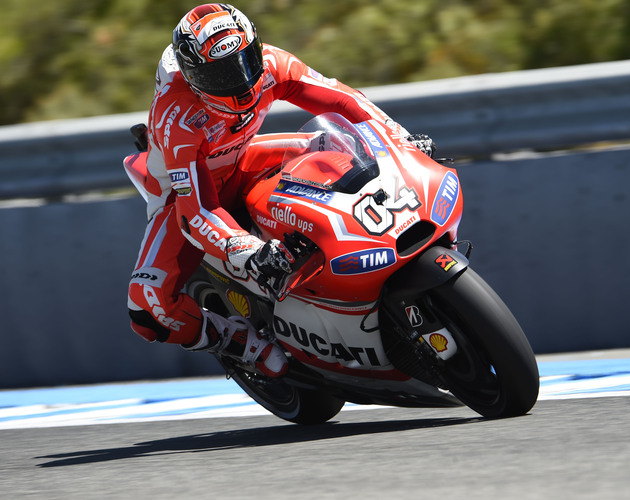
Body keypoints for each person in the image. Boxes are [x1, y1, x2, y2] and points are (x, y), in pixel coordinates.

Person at [126, 3, 435, 377]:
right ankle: (238, 342)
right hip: (183, 195)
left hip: (244, 160)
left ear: (255, 47)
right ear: (193, 78)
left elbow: (342, 99)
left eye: (244, 62)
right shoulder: (177, 118)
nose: (240, 81)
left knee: (339, 147)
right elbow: (197, 212)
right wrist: (248, 251)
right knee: (146, 309)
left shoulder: (271, 63)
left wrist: (397, 139)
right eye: (221, 74)